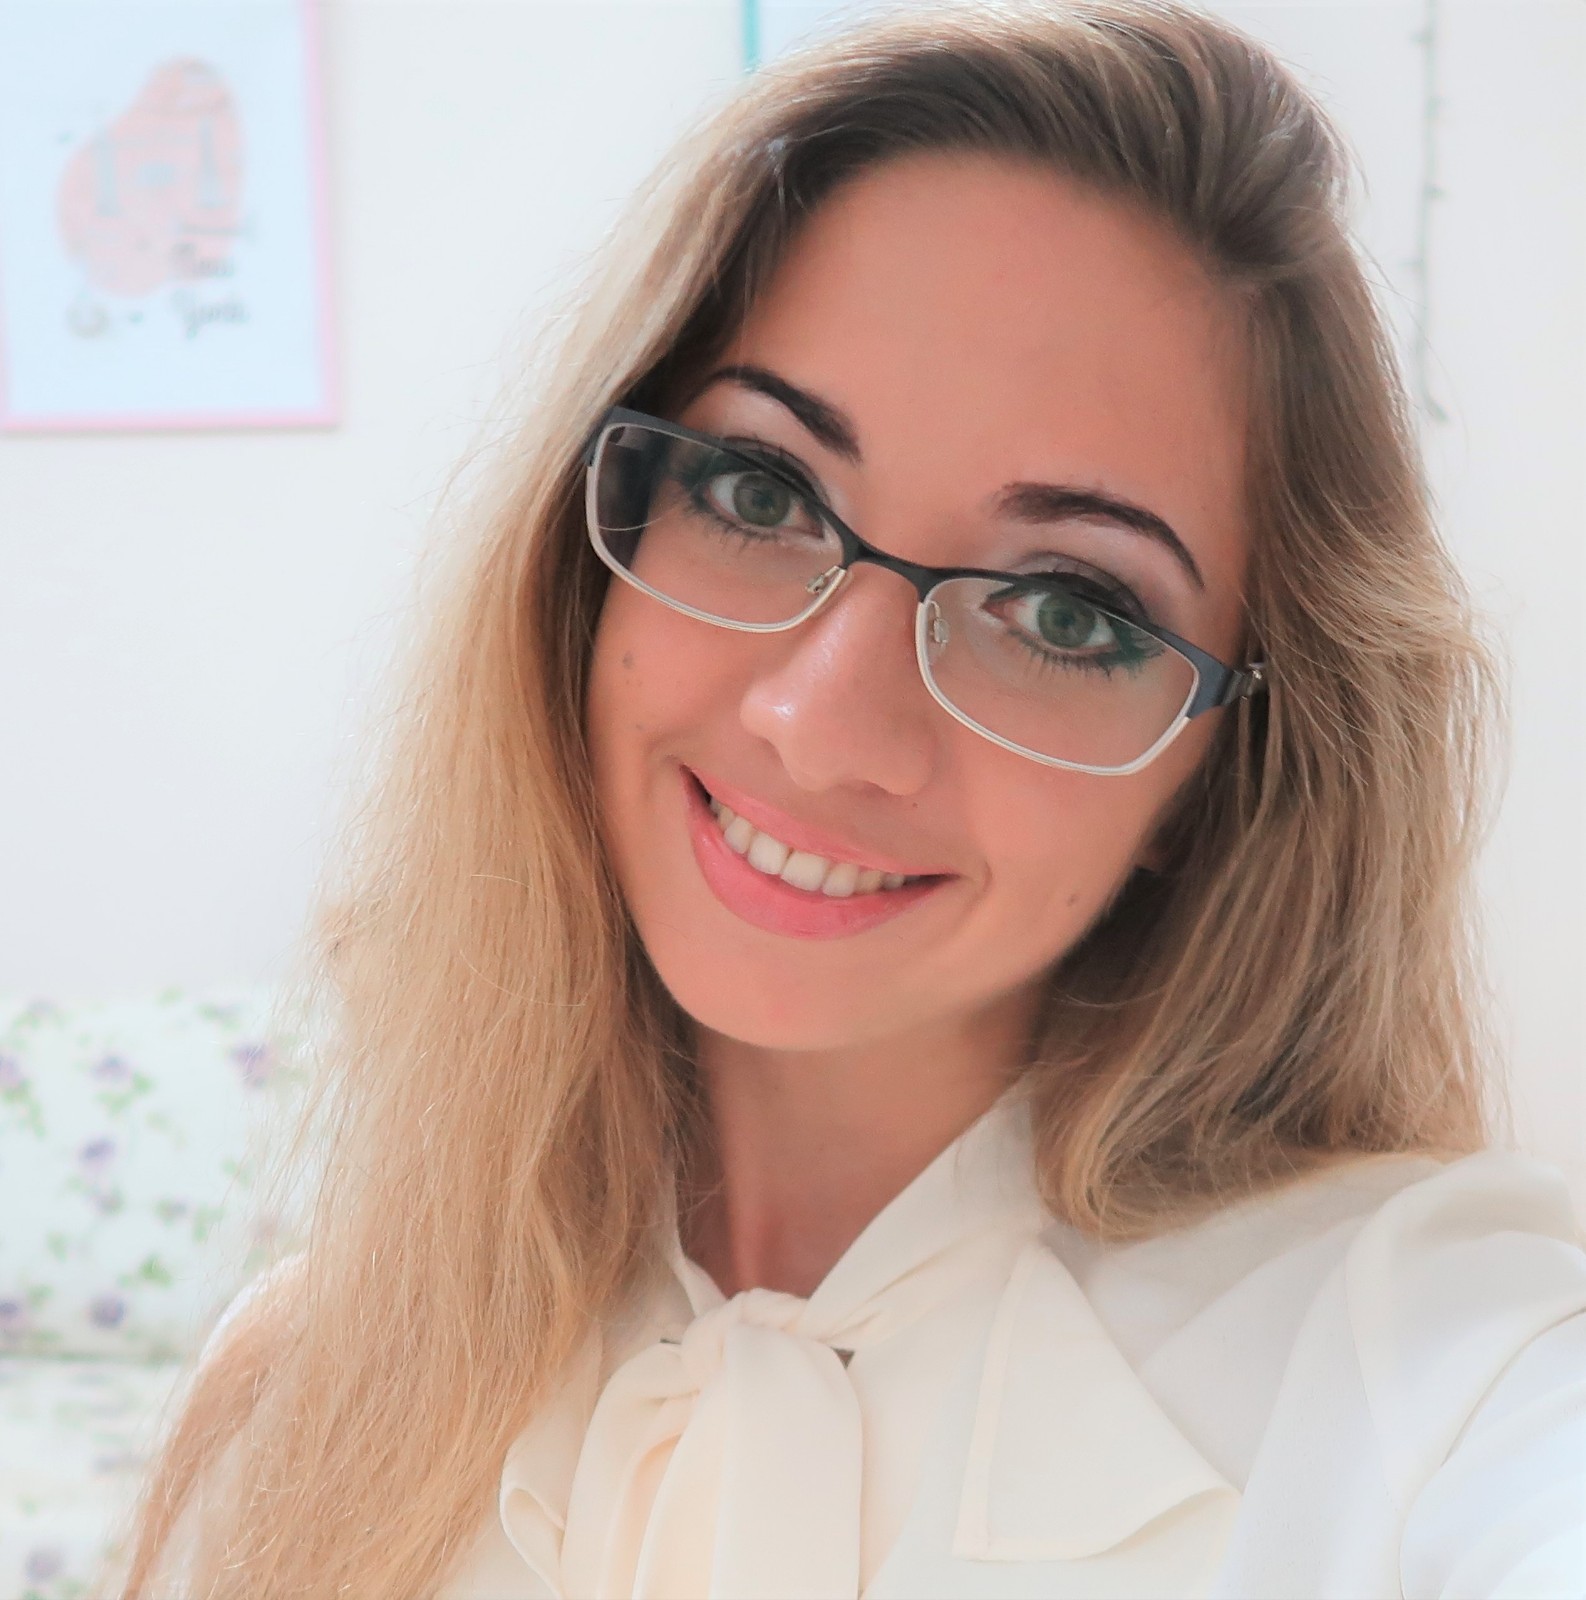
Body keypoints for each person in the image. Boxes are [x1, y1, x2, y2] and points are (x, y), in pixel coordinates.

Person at [119, 3, 1586, 1596]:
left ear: (1221, 764)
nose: (821, 727)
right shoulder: (299, 1397)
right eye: (758, 492)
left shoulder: (1435, 1376)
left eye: (1065, 611)